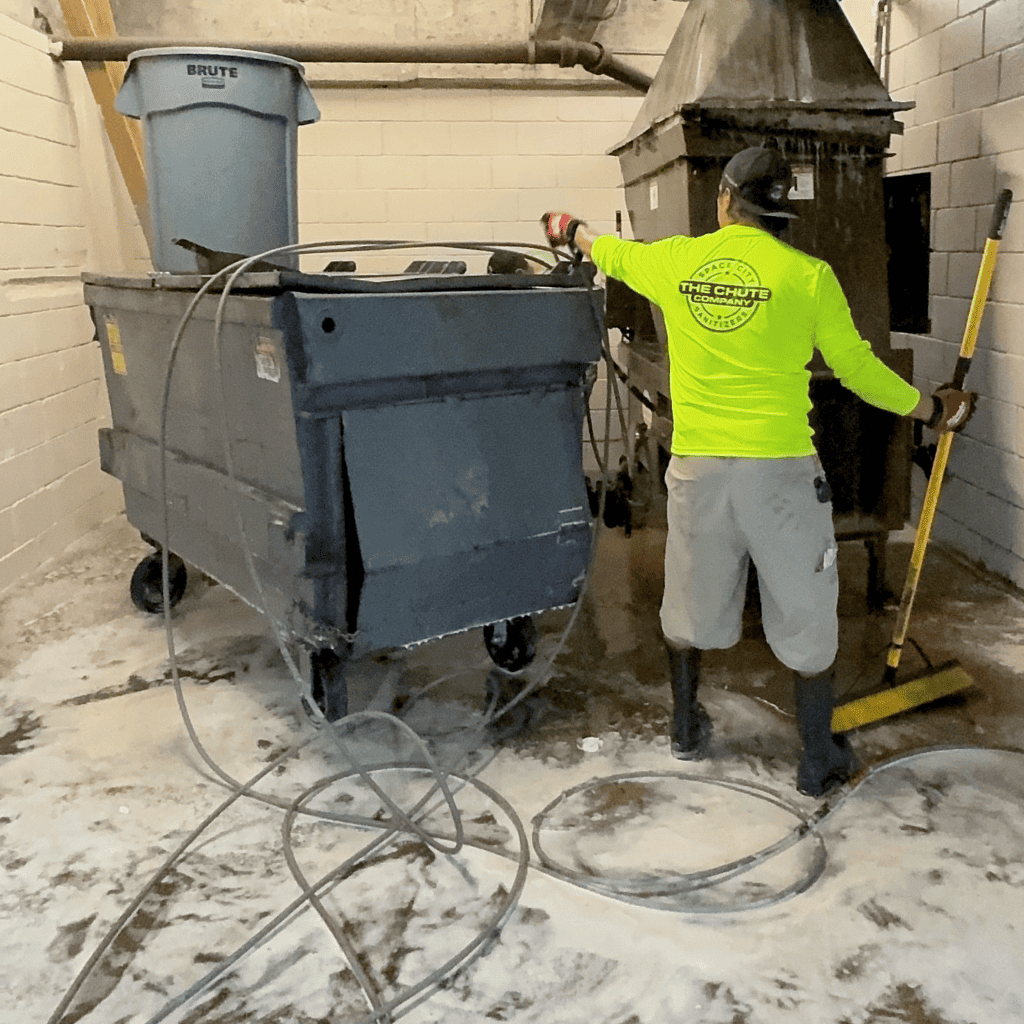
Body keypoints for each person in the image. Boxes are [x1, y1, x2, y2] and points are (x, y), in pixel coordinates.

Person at [541, 146, 975, 797]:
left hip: (698, 473)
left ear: (725, 201)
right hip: (780, 477)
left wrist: (567, 226)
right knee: (806, 606)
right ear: (781, 211)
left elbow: (606, 251)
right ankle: (816, 757)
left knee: (689, 598)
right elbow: (857, 370)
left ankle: (686, 730)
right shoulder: (808, 276)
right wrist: (932, 408)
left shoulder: (675, 259)